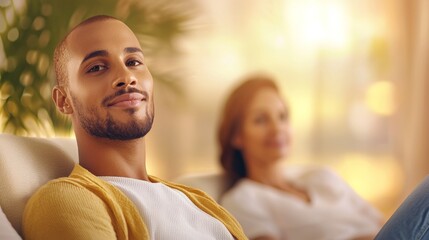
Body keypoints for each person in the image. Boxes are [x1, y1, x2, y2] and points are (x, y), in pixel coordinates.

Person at [22, 15, 246, 240]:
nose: (126, 77)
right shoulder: (65, 200)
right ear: (63, 100)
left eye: (133, 62)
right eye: (97, 67)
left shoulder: (198, 201)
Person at [217, 75, 384, 240]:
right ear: (236, 136)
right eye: (260, 120)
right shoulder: (243, 199)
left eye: (282, 117)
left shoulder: (323, 177)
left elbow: (384, 224)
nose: (277, 129)